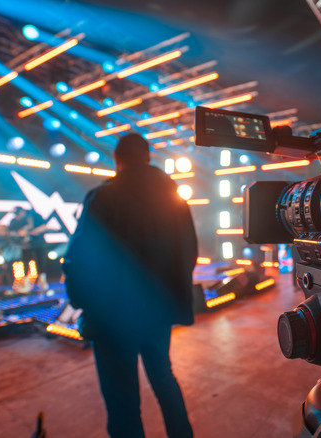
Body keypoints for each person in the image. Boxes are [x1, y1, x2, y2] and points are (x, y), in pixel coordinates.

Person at [63, 133, 198, 438]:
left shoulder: (103, 197)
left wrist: (82, 302)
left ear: (117, 160)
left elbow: (79, 258)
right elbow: (189, 252)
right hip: (158, 314)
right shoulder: (174, 199)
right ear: (148, 158)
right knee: (164, 378)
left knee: (123, 404)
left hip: (112, 318)